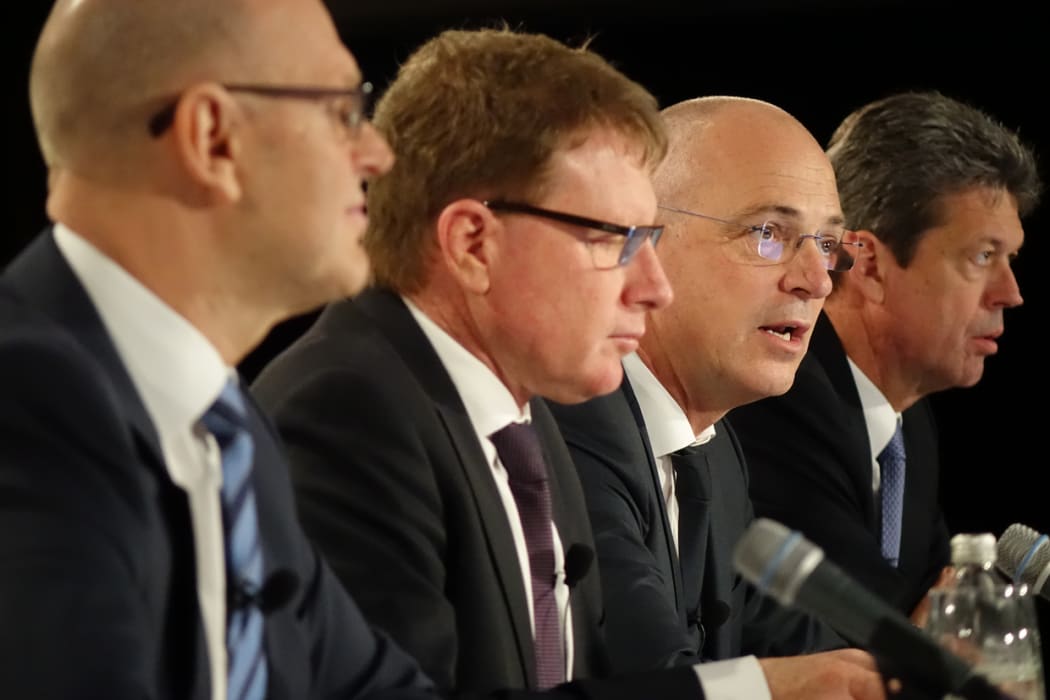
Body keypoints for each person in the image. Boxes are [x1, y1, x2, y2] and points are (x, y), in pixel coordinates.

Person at [0, 3, 687, 700]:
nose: (376, 155)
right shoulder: (31, 407)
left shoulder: (228, 429)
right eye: (340, 112)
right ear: (213, 139)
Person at [250, 28, 887, 700]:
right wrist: (760, 690)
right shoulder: (353, 412)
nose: (653, 287)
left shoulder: (524, 428)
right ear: (472, 244)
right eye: (615, 240)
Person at [548, 95, 877, 697]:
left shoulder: (716, 450)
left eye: (827, 244)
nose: (817, 281)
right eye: (768, 233)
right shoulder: (574, 423)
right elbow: (652, 677)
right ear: (644, 241)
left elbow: (801, 649)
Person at [729, 90, 1043, 621]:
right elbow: (871, 634)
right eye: (983, 255)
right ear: (868, 265)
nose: (1010, 293)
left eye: (1010, 258)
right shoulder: (779, 400)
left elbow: (936, 607)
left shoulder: (907, 425)